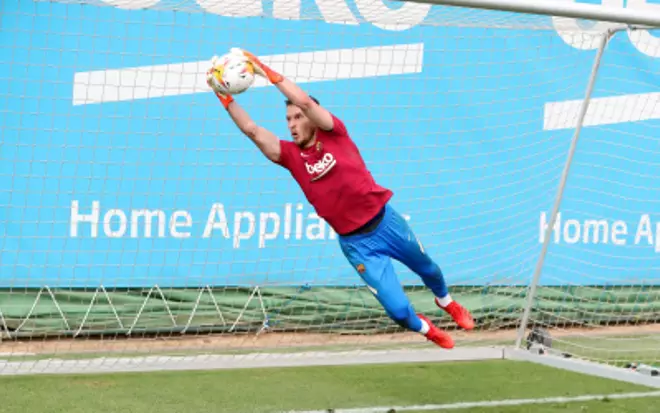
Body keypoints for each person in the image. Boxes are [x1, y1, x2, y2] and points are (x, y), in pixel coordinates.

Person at [206, 48, 475, 349]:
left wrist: (264, 70)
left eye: (297, 116)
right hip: (357, 244)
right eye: (288, 119)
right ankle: (427, 329)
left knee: (430, 269)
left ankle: (447, 302)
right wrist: (223, 95)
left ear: (311, 116)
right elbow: (252, 130)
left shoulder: (334, 133)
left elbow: (306, 101)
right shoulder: (291, 156)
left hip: (386, 222)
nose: (292, 123)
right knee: (399, 312)